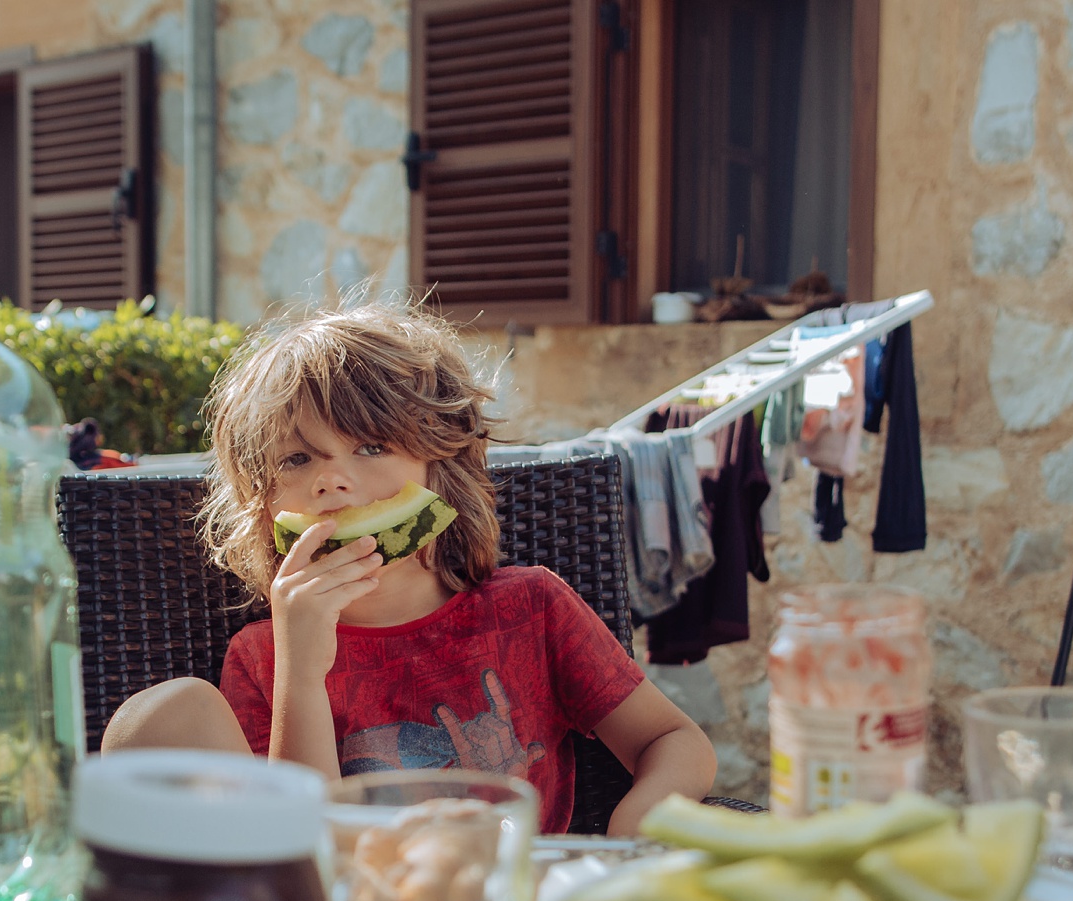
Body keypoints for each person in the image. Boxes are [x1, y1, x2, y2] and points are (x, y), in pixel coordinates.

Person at [102, 303, 717, 836]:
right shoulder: (264, 657)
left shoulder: (531, 608)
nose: (332, 479)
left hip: (508, 900)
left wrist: (626, 837)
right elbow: (304, 838)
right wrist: (301, 674)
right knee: (156, 716)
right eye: (296, 459)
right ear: (263, 507)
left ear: (436, 467)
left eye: (371, 447)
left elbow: (674, 741)